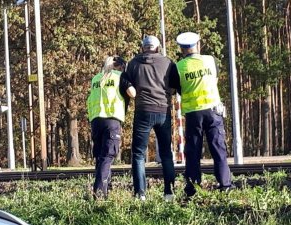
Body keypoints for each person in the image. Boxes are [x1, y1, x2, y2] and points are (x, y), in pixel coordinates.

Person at [169, 32, 234, 197]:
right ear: (198, 45)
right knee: (218, 148)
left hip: (193, 114)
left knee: (193, 152)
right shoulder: (210, 60)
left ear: (182, 49)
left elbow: (174, 90)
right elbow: (215, 80)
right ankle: (225, 185)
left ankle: (192, 188)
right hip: (213, 110)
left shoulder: (178, 67)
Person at [121, 35, 176, 201]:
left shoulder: (133, 63)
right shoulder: (168, 63)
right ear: (157, 47)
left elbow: (126, 85)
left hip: (143, 110)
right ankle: (169, 193)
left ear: (142, 47)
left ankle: (140, 194)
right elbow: (174, 88)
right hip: (163, 110)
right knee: (166, 154)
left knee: (138, 154)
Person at [87, 56, 136, 199]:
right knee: (107, 156)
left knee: (100, 157)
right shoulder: (119, 76)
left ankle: (104, 188)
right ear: (120, 66)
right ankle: (100, 193)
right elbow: (133, 93)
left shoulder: (96, 78)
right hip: (112, 120)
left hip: (96, 120)